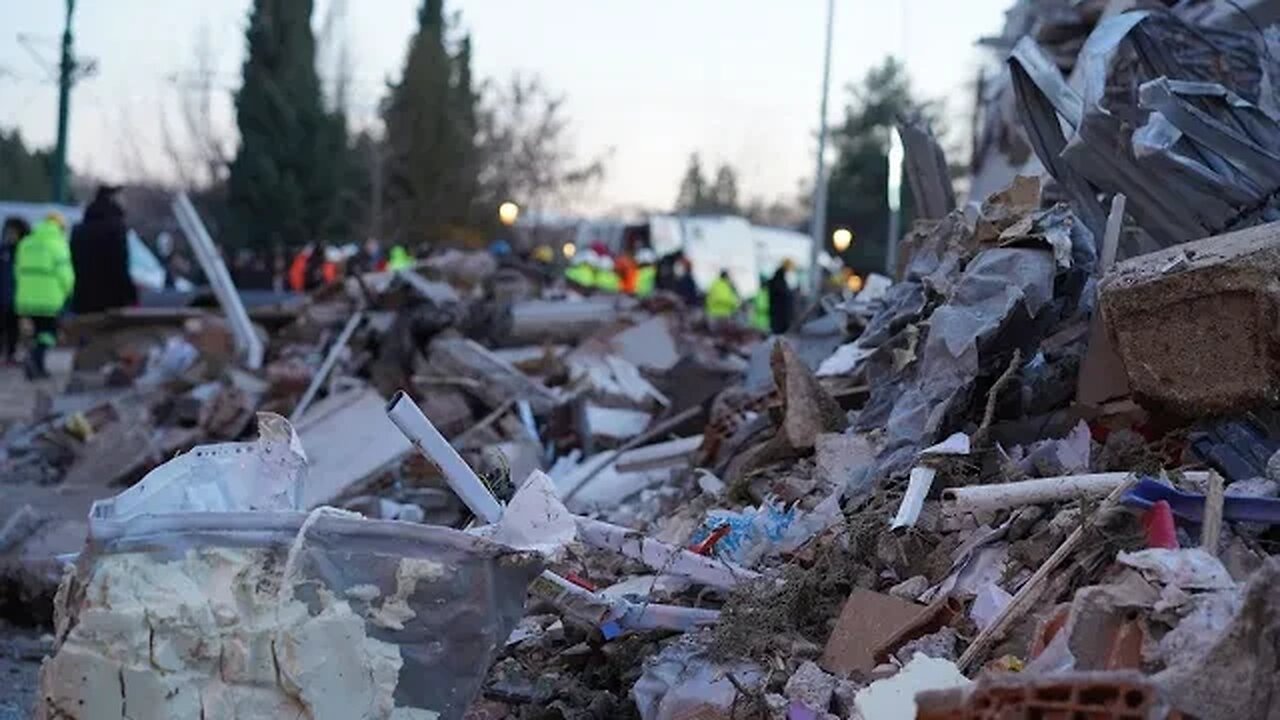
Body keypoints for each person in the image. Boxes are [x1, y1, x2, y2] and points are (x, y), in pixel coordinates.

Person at [15, 213, 74, 379]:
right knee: (49, 334)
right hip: (50, 300)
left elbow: (17, 271)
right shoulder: (57, 244)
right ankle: (35, 359)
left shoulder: (26, 243)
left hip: (26, 300)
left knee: (37, 333)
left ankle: (38, 366)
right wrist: (69, 292)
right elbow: (65, 274)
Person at [70, 185, 137, 314]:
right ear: (112, 199)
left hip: (83, 300)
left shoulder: (79, 229)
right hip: (111, 303)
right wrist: (130, 296)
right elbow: (119, 266)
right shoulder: (115, 228)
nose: (125, 201)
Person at [0, 217, 31, 362]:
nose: (9, 236)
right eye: (7, 232)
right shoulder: (3, 251)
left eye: (13, 232)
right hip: (4, 295)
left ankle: (11, 355)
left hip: (18, 296)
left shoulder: (24, 251)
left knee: (13, 327)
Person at [767, 259, 796, 335]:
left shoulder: (778, 280)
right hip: (780, 320)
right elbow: (784, 300)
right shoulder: (778, 282)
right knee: (779, 339)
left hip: (778, 319)